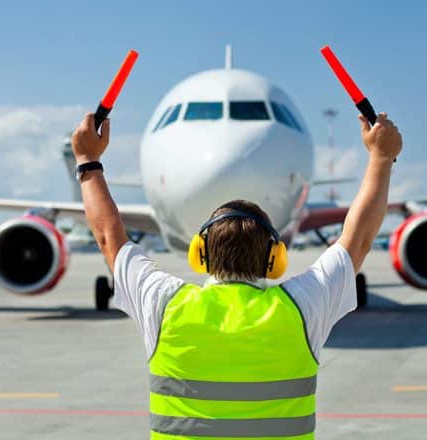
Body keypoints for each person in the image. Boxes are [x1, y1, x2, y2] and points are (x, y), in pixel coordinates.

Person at [72, 111, 402, 438]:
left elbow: (107, 236)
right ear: (275, 259)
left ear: (199, 254)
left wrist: (88, 160)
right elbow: (357, 240)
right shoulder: (301, 308)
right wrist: (382, 157)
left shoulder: (165, 305)